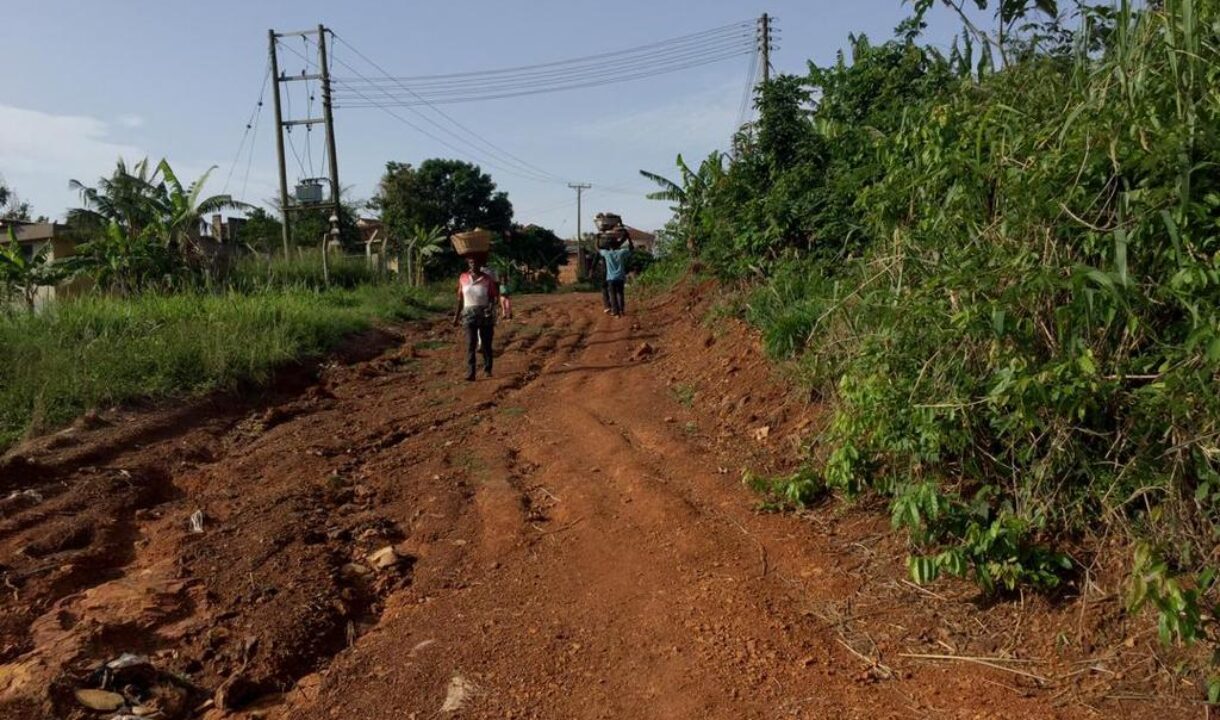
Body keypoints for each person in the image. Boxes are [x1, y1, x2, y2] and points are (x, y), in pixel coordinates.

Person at [453, 255, 500, 380]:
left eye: (476, 262)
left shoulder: (487, 279)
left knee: (486, 344)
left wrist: (490, 307)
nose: (473, 265)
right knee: (470, 344)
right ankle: (471, 372)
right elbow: (460, 299)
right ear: (468, 264)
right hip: (468, 314)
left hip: (484, 314)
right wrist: (456, 317)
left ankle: (488, 368)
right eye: (471, 262)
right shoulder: (463, 278)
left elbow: (492, 297)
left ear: (480, 264)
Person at [598, 227, 633, 317]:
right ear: (617, 245)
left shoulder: (607, 253)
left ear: (609, 246)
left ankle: (616, 312)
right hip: (620, 277)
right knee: (620, 294)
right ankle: (622, 310)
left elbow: (597, 248)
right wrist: (628, 238)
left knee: (613, 295)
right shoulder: (621, 252)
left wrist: (597, 238)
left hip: (610, 278)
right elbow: (631, 249)